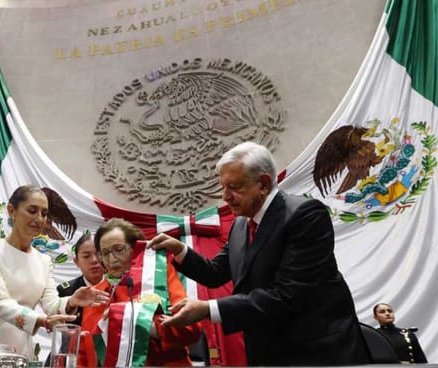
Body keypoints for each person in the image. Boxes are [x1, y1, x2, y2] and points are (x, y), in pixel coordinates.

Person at [148, 141, 370, 366]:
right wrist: (179, 250)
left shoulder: (305, 216)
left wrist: (208, 309)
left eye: (234, 187)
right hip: (267, 352)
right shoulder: (241, 225)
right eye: (223, 187)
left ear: (263, 184)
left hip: (316, 354)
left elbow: (287, 295)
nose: (225, 196)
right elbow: (215, 273)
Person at [0, 185, 109, 359]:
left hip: (20, 349)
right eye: (32, 211)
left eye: (44, 213)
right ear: (12, 211)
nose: (39, 219)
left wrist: (72, 301)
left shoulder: (44, 261)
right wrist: (41, 321)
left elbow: (51, 305)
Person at [79, 218, 201, 367]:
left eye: (119, 250)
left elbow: (190, 331)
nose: (112, 259)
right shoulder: (96, 293)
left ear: (136, 250)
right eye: (105, 253)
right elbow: (85, 353)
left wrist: (132, 318)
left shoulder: (159, 278)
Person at [56, 229, 105, 325]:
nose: (94, 260)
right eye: (86, 256)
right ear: (76, 261)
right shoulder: (66, 291)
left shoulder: (116, 289)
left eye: (99, 254)